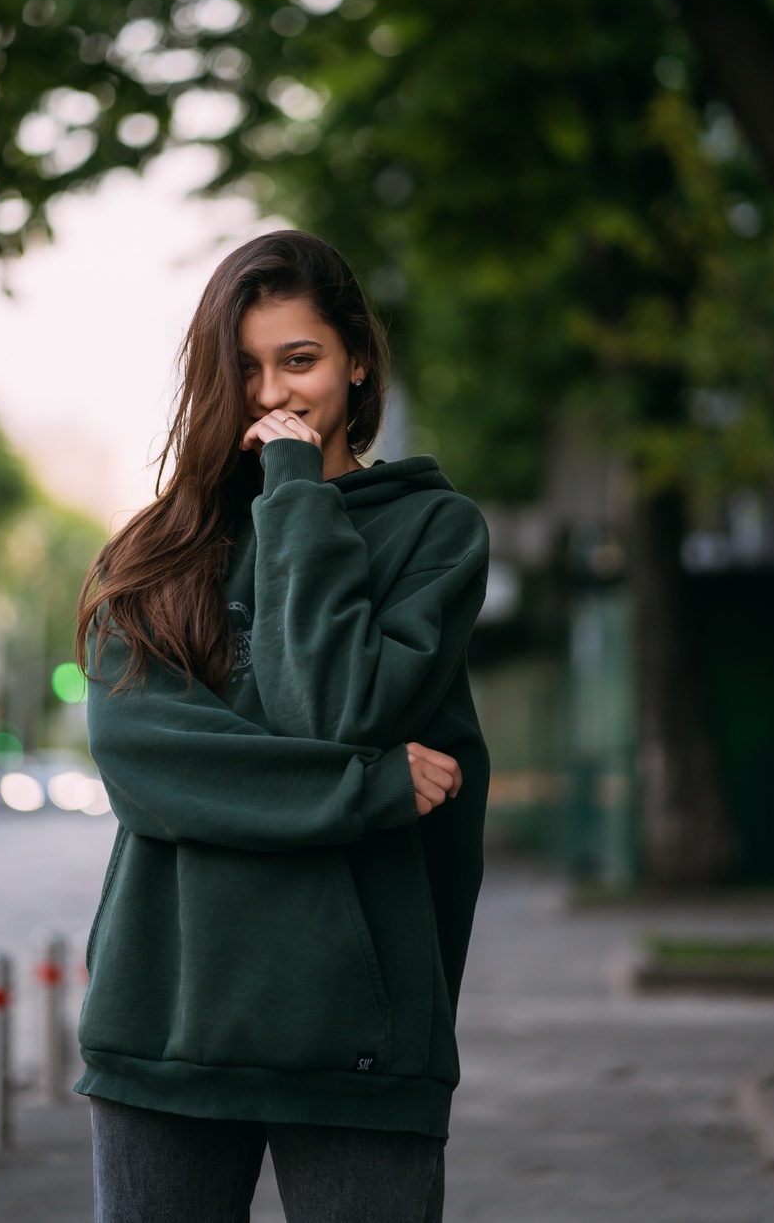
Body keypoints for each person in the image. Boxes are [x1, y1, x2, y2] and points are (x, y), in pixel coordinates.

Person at [74, 230, 490, 1223]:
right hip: (165, 1029)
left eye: (298, 360)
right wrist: (366, 787)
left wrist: (297, 492)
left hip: (363, 1039)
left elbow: (331, 703)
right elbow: (148, 765)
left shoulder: (433, 533)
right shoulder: (155, 555)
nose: (272, 395)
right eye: (246, 370)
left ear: (355, 359)